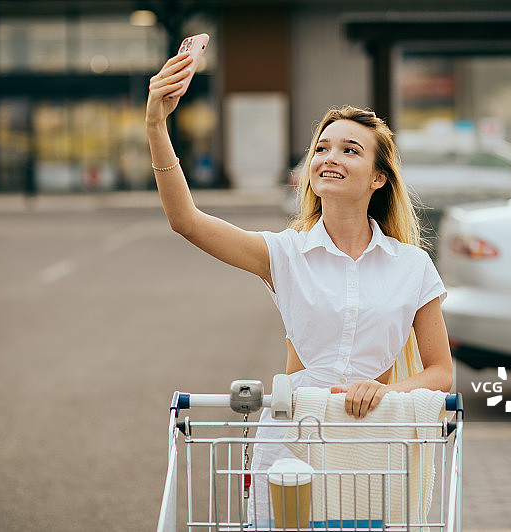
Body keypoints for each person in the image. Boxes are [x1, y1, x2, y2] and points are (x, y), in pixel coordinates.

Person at [147, 52, 453, 522]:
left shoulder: (412, 266)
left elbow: (439, 372)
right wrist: (156, 127)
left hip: (374, 444)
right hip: (291, 437)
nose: (330, 158)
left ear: (378, 178)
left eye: (350, 150)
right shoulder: (284, 254)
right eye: (322, 148)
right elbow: (185, 220)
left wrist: (386, 392)